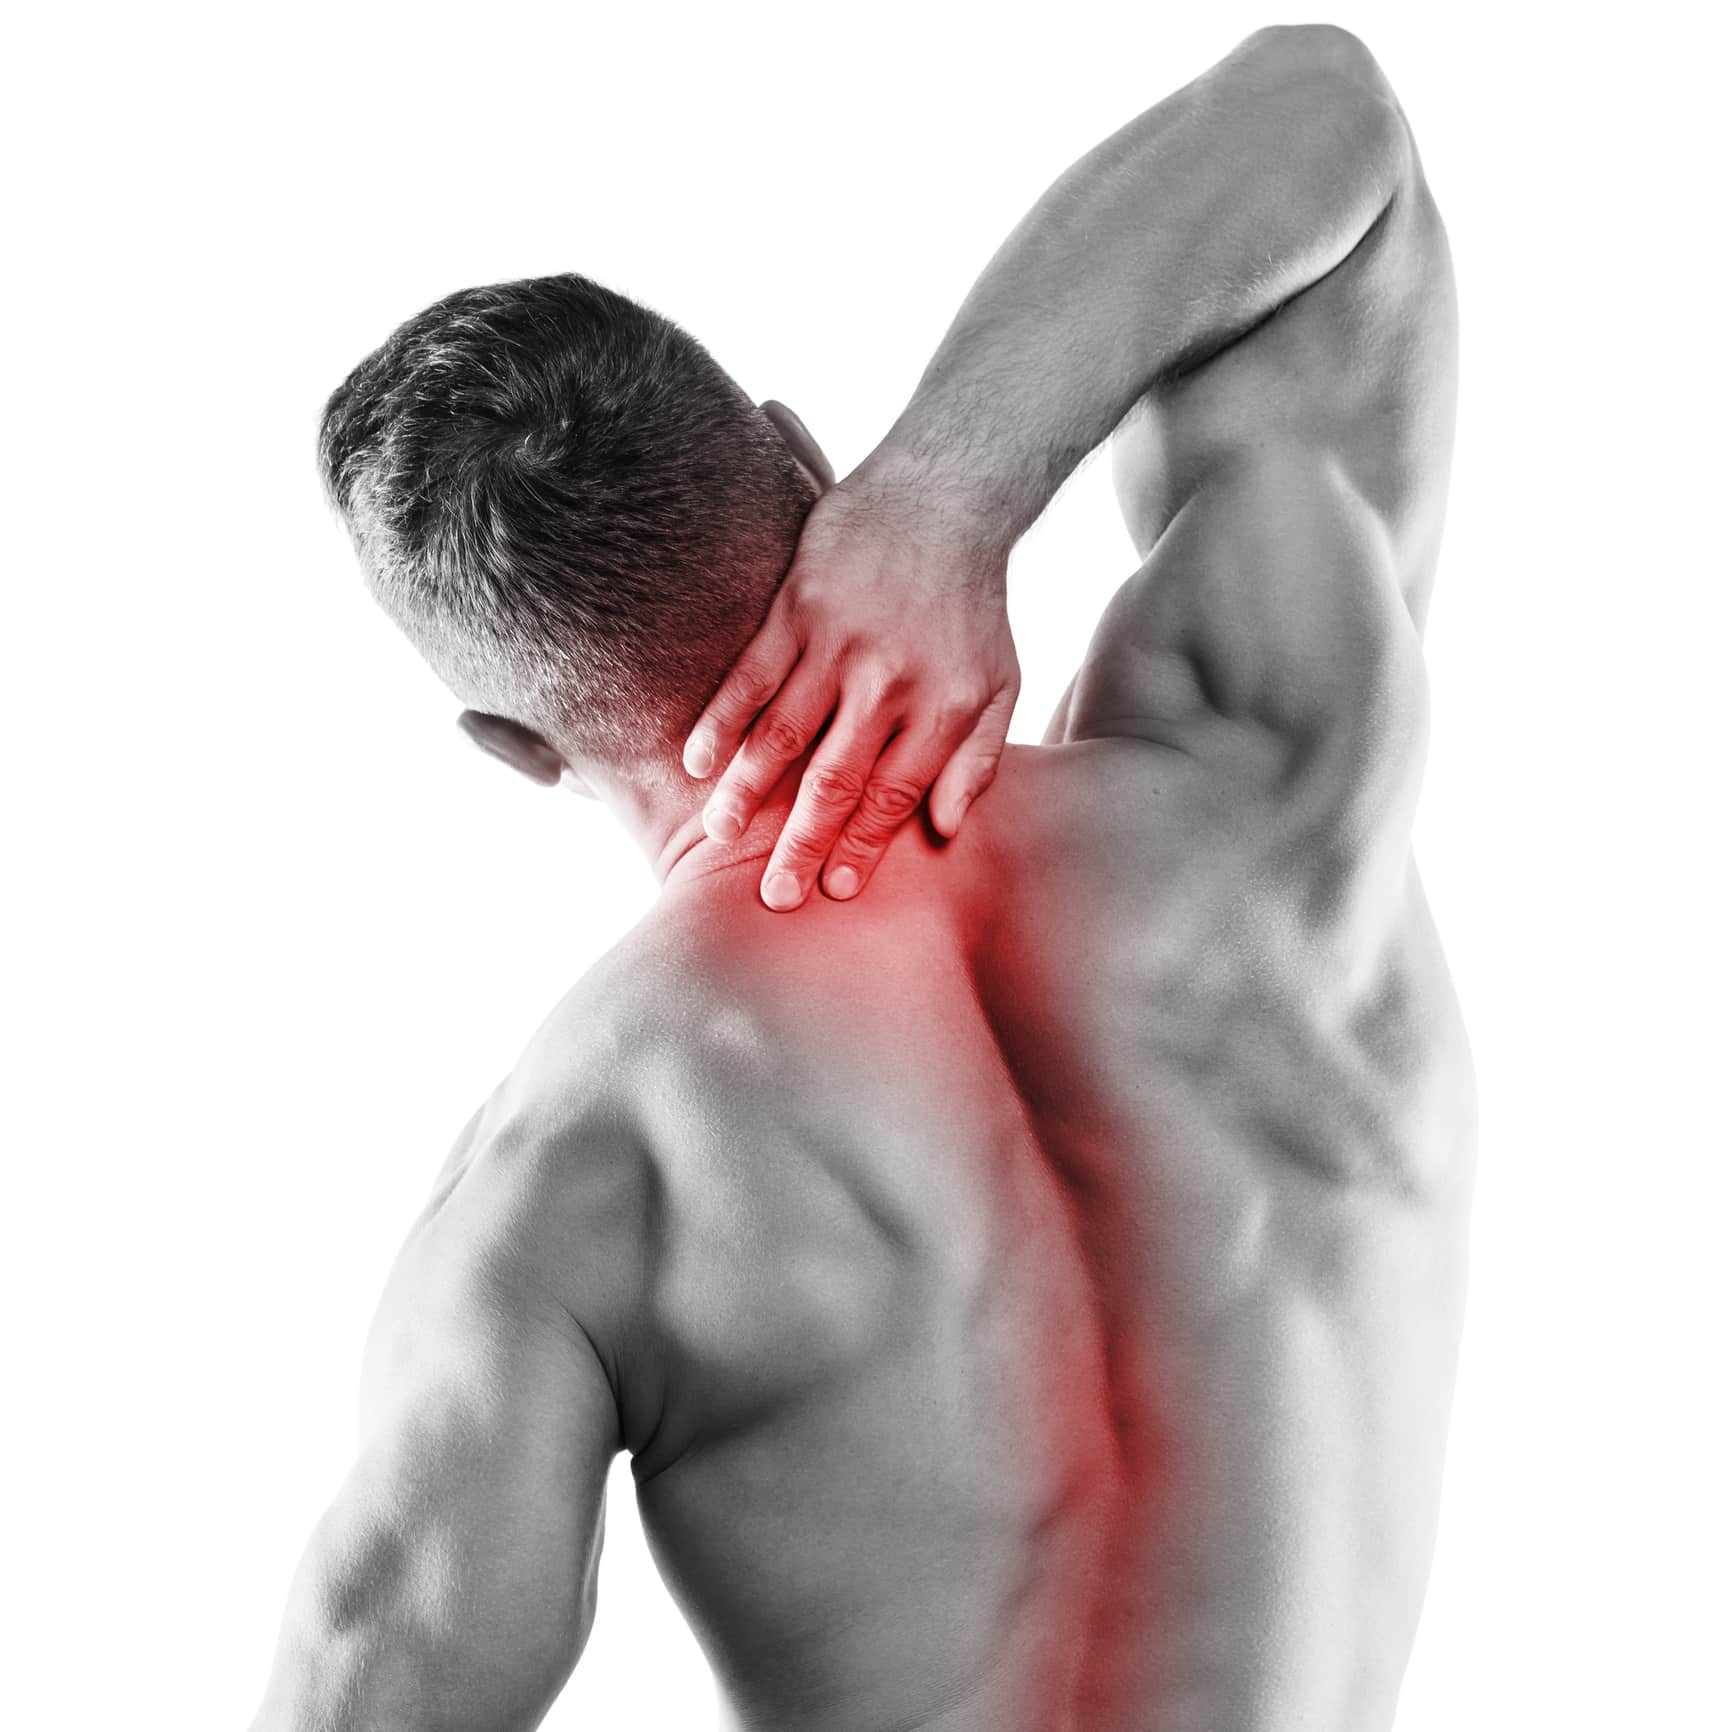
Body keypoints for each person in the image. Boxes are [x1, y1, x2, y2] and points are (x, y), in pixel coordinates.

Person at [251, 24, 1474, 1732]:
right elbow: (1325, 112)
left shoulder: (573, 1185)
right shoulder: (1269, 789)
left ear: (512, 744)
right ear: (806, 455)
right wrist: (953, 492)